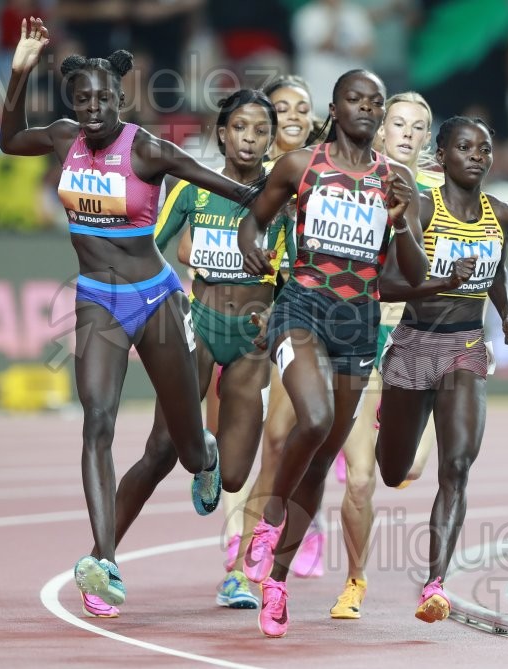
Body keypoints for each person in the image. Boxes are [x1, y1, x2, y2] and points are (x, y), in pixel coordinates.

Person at [0, 17, 257, 616]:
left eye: (102, 99)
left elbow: (235, 188)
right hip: (97, 300)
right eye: (81, 99)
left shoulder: (147, 149)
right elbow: (11, 140)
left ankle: (206, 456)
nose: (91, 109)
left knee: (187, 448)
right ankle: (105, 563)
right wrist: (17, 73)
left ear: (122, 99)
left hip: (156, 298)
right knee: (97, 422)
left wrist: (280, 197)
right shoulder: (63, 139)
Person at [237, 68, 428, 638]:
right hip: (301, 312)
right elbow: (256, 219)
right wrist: (252, 248)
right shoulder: (301, 166)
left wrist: (406, 219)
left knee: (321, 462)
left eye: (375, 102)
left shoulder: (396, 180)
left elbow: (412, 274)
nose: (366, 109)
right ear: (336, 107)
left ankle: (276, 579)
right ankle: (270, 519)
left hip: (358, 327)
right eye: (356, 100)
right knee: (314, 419)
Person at [375, 115, 508, 624]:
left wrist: (505, 315)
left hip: (466, 345)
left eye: (484, 148)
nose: (477, 156)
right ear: (442, 156)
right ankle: (386, 420)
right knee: (392, 470)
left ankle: (434, 583)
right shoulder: (420, 205)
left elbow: (497, 267)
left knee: (457, 465)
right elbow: (387, 285)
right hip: (414, 343)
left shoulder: (502, 214)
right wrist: (439, 281)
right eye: (465, 147)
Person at [152, 88, 289, 610]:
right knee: (182, 442)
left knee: (234, 473)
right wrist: (164, 302)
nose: (250, 139)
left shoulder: (283, 196)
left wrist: (279, 311)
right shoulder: (192, 187)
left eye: (260, 131)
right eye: (240, 129)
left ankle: (211, 462)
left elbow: (297, 268)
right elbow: (152, 245)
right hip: (200, 322)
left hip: (251, 341)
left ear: (271, 140)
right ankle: (196, 452)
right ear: (222, 133)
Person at [329, 90, 444, 620]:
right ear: (379, 130)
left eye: (417, 126)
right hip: (362, 342)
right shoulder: (357, 179)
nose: (406, 132)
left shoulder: (444, 193)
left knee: (405, 472)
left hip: (416, 348)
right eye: (397, 123)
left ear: (427, 138)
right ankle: (355, 581)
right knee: (360, 478)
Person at [225, 75, 328, 582]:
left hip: (300, 314)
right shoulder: (252, 173)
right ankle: (237, 539)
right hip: (247, 315)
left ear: (313, 118)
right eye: (280, 107)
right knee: (238, 445)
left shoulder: (329, 168)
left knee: (284, 433)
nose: (291, 115)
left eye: (301, 107)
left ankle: (267, 542)